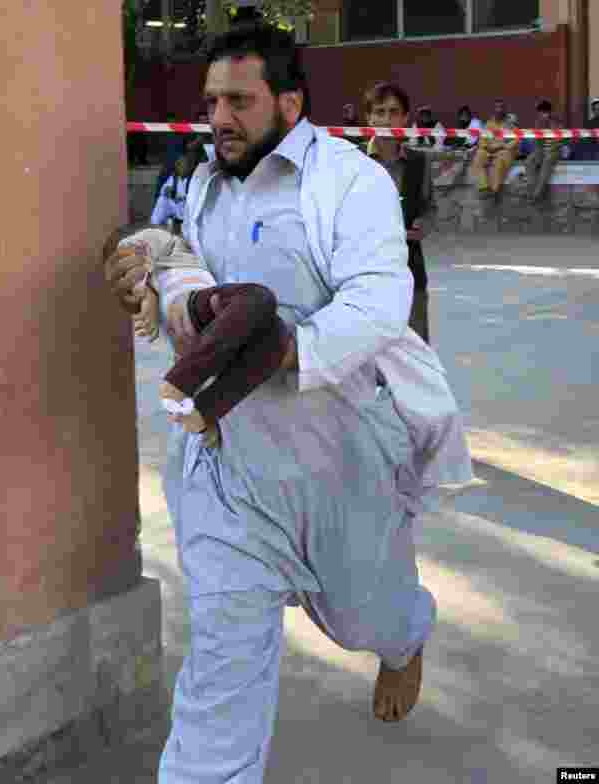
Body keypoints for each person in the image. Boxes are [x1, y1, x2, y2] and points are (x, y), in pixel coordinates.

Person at [103, 23, 472, 783]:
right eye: (211, 102)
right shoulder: (205, 183)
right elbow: (192, 276)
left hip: (337, 460)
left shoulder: (347, 180)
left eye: (238, 101)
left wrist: (290, 350)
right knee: (221, 665)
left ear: (291, 102)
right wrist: (154, 267)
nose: (219, 118)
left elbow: (379, 298)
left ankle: (405, 640)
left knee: (366, 614)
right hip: (227, 467)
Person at [105, 224, 290, 450]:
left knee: (276, 339)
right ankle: (178, 382)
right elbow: (131, 259)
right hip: (194, 305)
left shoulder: (181, 251)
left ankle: (203, 414)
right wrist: (147, 296)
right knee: (259, 298)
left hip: (210, 327)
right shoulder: (155, 240)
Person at [365, 82, 435, 343]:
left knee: (415, 357)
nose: (386, 119)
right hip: (362, 276)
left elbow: (430, 207)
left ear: (405, 118)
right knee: (366, 359)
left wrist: (424, 225)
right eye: (380, 112)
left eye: (394, 112)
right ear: (368, 118)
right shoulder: (351, 160)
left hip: (410, 272)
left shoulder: (420, 162)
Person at [150, 137, 209, 231]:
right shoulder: (173, 178)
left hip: (191, 211)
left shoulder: (198, 176)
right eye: (177, 164)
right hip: (177, 209)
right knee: (162, 200)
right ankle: (156, 228)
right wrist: (168, 192)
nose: (179, 165)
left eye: (182, 163)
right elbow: (165, 191)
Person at [523, 100, 569, 203]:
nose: (541, 115)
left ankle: (537, 195)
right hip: (541, 149)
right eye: (540, 113)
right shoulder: (538, 121)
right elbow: (537, 141)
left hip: (554, 150)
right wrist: (539, 152)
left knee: (546, 164)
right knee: (528, 161)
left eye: (543, 112)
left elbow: (559, 141)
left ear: (548, 111)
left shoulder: (557, 121)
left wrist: (545, 152)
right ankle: (532, 188)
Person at [471, 99, 519, 200]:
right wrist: (485, 147)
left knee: (499, 163)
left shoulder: (510, 123)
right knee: (479, 155)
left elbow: (516, 140)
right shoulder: (489, 122)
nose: (499, 110)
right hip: (490, 149)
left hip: (503, 150)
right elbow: (482, 138)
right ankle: (484, 188)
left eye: (501, 107)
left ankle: (495, 191)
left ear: (504, 110)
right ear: (493, 110)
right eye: (497, 107)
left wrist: (502, 147)